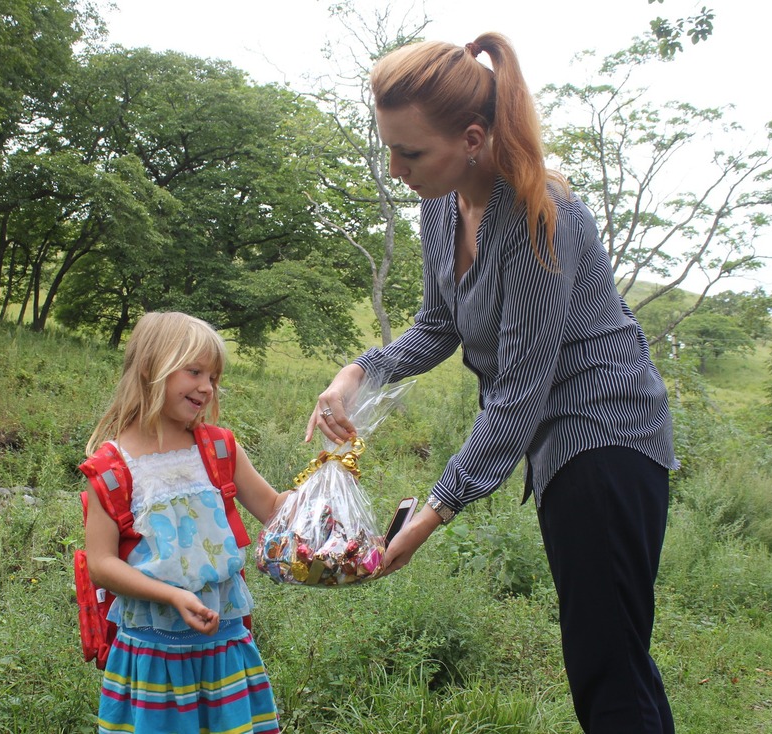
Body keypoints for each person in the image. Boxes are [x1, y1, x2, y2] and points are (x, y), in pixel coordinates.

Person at [307, 34, 679, 734]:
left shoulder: (543, 218)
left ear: (473, 137)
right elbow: (438, 323)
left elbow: (518, 394)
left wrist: (424, 522)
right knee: (613, 658)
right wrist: (358, 372)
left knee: (608, 666)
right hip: (559, 443)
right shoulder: (442, 205)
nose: (395, 169)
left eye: (410, 152)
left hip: (605, 438)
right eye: (389, 148)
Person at [83, 311, 289, 733]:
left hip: (223, 644)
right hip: (153, 654)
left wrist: (328, 482)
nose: (206, 387)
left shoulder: (218, 448)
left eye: (212, 377)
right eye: (194, 371)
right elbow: (101, 564)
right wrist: (172, 596)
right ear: (149, 368)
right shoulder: (110, 468)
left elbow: (275, 510)